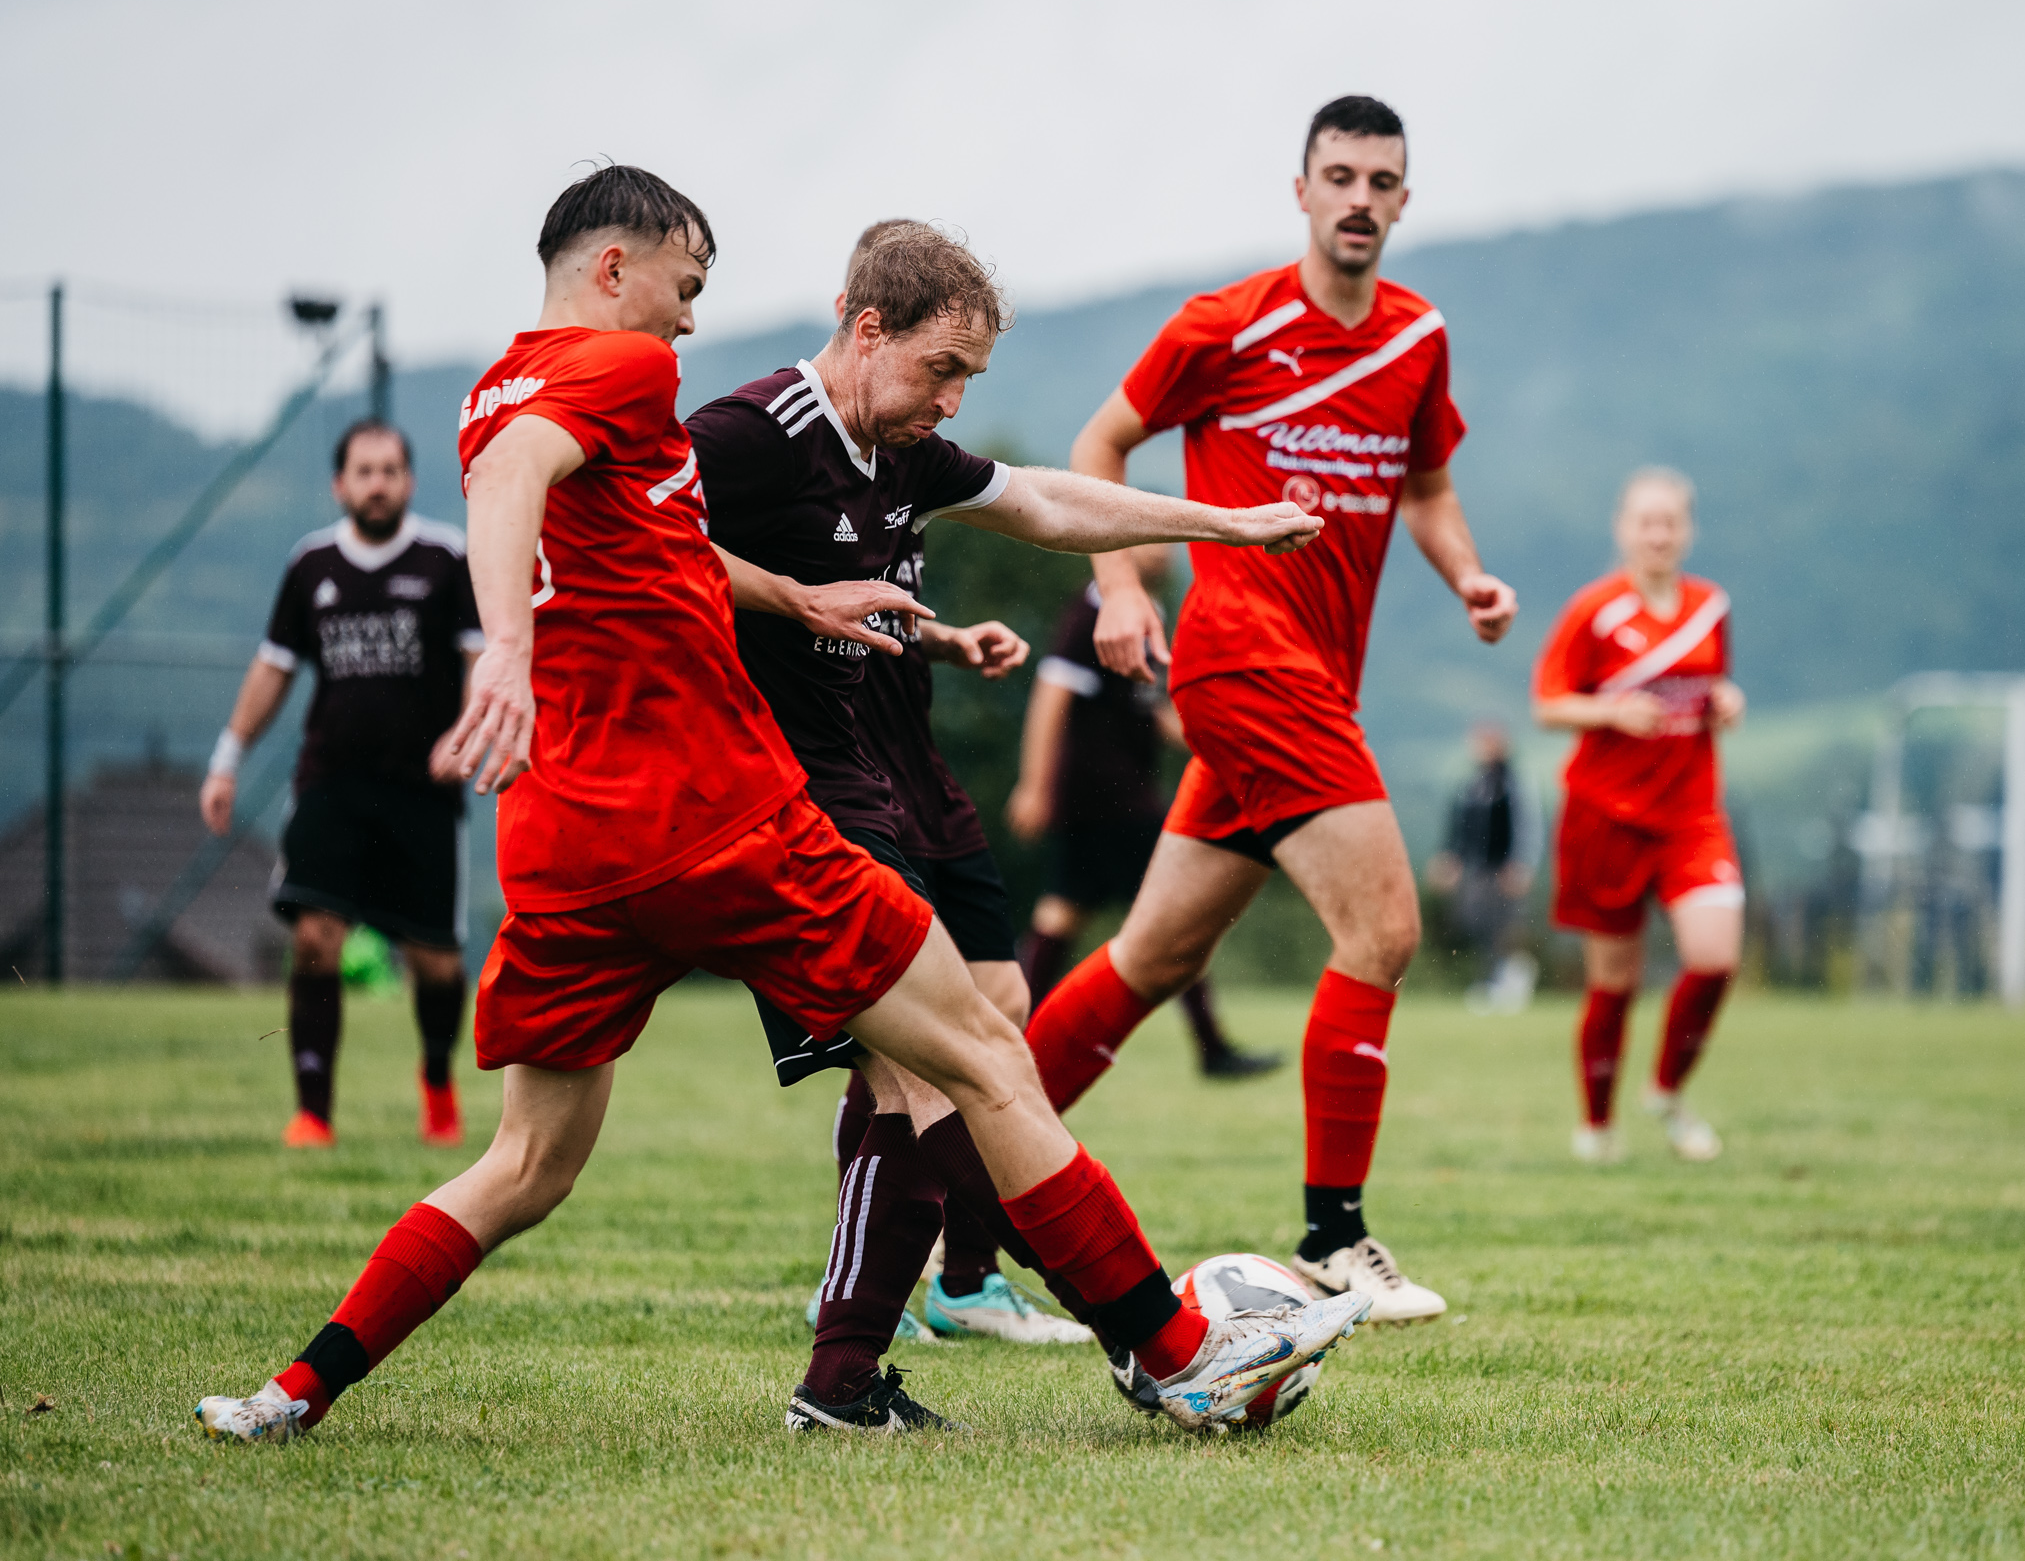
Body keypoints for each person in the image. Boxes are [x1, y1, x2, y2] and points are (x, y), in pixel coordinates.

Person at [194, 165, 1367, 1448]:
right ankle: (1173, 1348)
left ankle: (291, 1393)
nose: (690, 323)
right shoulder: (634, 378)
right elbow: (522, 480)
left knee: (527, 1164)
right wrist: (508, 654)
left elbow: (640, 536)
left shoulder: (491, 389)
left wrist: (809, 600)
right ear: (613, 268)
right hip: (717, 814)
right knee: (979, 1052)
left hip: (567, 845)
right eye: (684, 288)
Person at [683, 213, 1360, 1422]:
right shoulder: (749, 435)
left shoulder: (895, 449)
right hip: (777, 797)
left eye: (971, 379)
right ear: (866, 327)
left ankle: (858, 1369)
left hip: (870, 781)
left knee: (977, 1032)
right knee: (957, 1064)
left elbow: (1046, 504)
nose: (954, 399)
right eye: (943, 368)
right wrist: (788, 596)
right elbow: (633, 546)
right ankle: (1143, 1334)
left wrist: (1227, 525)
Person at [1026, 95, 1517, 1326]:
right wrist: (1124, 587)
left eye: (1382, 181)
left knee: (1154, 957)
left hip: (1309, 680)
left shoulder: (1420, 338)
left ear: (1405, 202)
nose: (1359, 198)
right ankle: (1335, 1237)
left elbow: (1432, 487)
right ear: (1300, 190)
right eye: (1338, 175)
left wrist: (1470, 577)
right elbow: (1101, 443)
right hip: (1244, 659)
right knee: (1387, 930)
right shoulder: (1227, 325)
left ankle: (964, 1196)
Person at [200, 420, 481, 1149]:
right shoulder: (311, 565)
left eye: (390, 469)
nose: (378, 482)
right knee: (316, 936)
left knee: (436, 963)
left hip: (422, 792)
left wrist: (467, 731)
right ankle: (313, 1113)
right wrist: (227, 757)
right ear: (341, 484)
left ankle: (437, 1081)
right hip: (330, 785)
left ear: (409, 481)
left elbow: (483, 656)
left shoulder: (446, 557)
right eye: (364, 470)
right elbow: (274, 666)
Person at [1531, 466, 1745, 1165]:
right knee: (1614, 983)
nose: (1658, 534)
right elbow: (1548, 703)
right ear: (1623, 528)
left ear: (1688, 530)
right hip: (1606, 814)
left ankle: (1667, 1091)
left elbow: (1711, 687)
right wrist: (1611, 712)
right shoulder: (1595, 610)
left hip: (1690, 814)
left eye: (1671, 522)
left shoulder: (1710, 606)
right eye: (1645, 521)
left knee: (1714, 959)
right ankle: (1597, 1126)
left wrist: (1726, 703)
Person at [1006, 545, 1281, 1080]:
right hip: (1106, 799)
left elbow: (1150, 715)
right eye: (1150, 537)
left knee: (1062, 915)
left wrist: (1230, 748)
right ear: (1119, 547)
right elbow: (1050, 698)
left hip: (1119, 797)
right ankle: (1212, 1049)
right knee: (1175, 919)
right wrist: (1034, 787)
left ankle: (1012, 1042)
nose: (1165, 549)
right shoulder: (1092, 610)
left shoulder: (1144, 613)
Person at [1425, 723, 1540, 1014]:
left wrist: (1521, 862)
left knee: (1503, 925)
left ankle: (1513, 978)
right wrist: (1449, 857)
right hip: (1476, 868)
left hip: (1502, 868)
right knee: (1475, 922)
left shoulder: (1512, 782)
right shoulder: (1473, 784)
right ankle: (1492, 980)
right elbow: (1458, 825)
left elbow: (1526, 824)